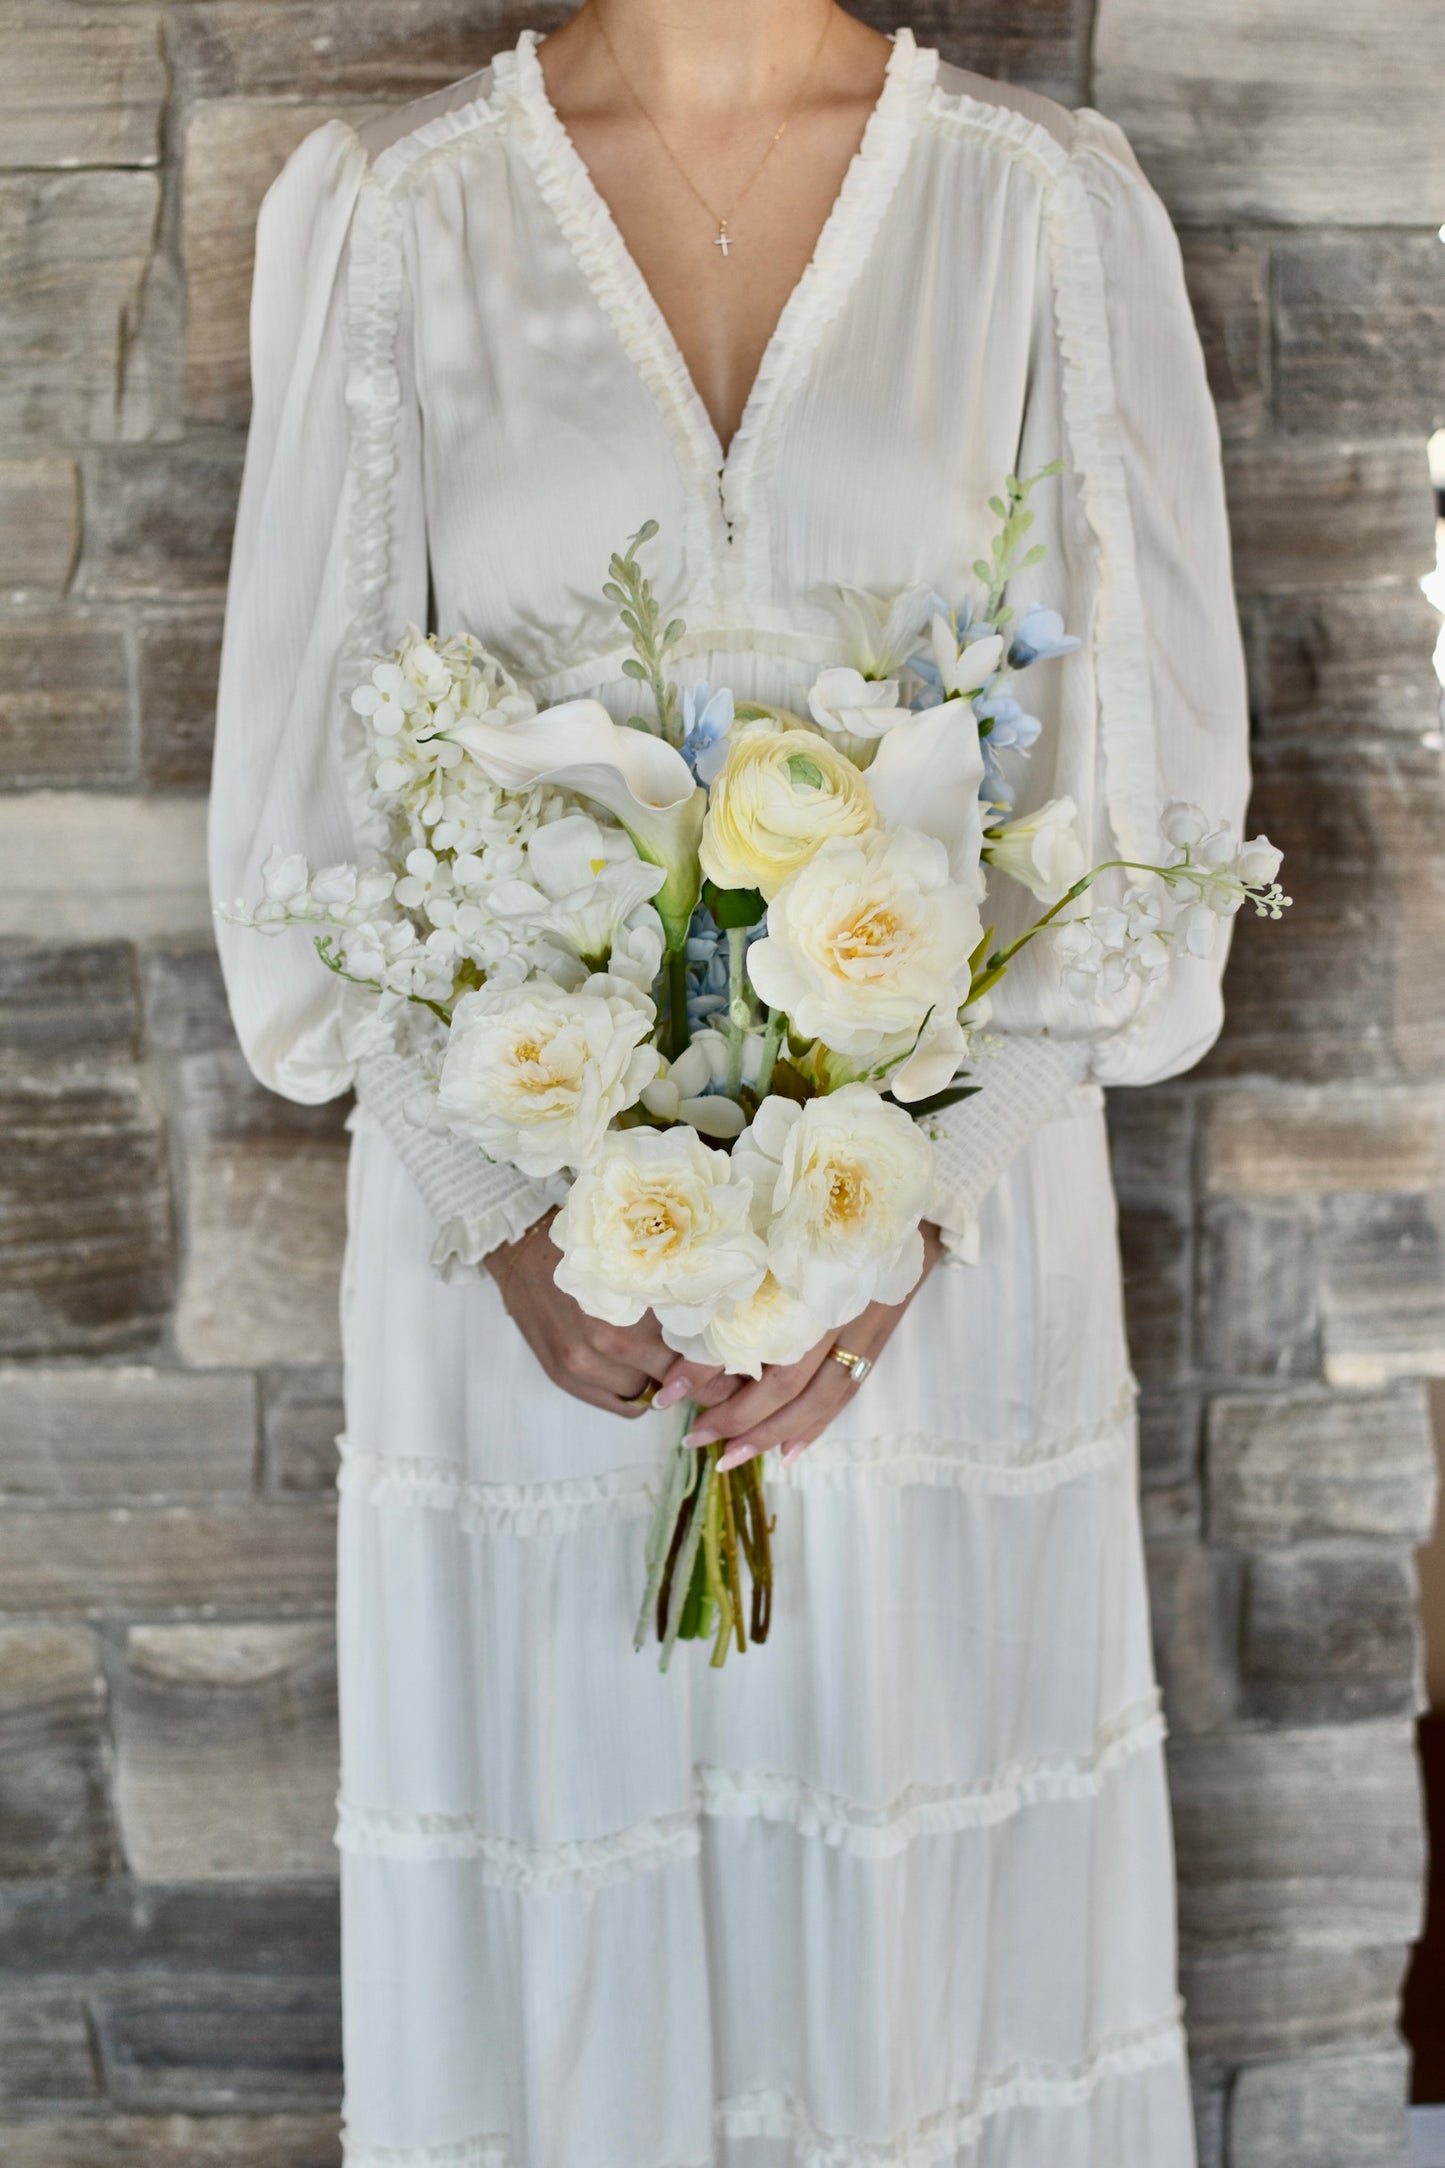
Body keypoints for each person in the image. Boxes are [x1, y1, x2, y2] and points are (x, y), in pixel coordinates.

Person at [208, 3, 1249, 2161]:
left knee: (922, 1981)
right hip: (544, 1307)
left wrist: (914, 1205)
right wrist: (496, 1203)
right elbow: (322, 818)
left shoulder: (1039, 208)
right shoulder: (403, 218)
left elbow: (1129, 822)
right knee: (571, 1954)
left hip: (937, 1300)